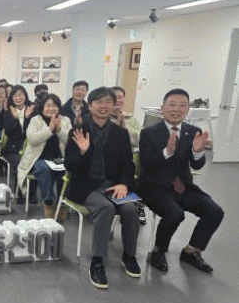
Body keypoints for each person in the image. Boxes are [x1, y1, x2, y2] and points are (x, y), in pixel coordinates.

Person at [138, 88, 224, 273]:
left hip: (182, 186)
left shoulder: (193, 132)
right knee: (175, 214)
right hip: (154, 187)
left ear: (188, 110)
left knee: (214, 211)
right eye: (172, 105)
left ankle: (191, 251)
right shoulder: (149, 132)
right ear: (162, 108)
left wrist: (198, 152)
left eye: (182, 105)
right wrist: (166, 152)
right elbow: (146, 164)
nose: (177, 109)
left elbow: (197, 165)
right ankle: (159, 251)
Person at [64, 86, 141, 289]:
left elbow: (128, 164)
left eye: (108, 102)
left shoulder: (120, 133)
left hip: (112, 186)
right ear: (90, 106)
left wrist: (124, 183)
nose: (104, 106)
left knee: (131, 210)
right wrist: (83, 152)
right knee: (105, 208)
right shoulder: (78, 131)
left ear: (114, 105)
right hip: (86, 186)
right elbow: (69, 166)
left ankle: (129, 255)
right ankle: (97, 261)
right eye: (99, 102)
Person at [17, 93, 71, 219]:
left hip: (60, 159)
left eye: (54, 105)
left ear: (59, 107)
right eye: (48, 105)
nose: (51, 108)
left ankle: (62, 204)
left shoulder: (65, 120)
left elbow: (70, 141)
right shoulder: (36, 120)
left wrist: (58, 129)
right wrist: (50, 129)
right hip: (38, 159)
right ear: (42, 108)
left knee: (68, 171)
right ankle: (49, 202)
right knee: (44, 169)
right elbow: (32, 139)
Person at [110, 86, 146, 225]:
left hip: (130, 158)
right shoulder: (103, 118)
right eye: (115, 97)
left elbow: (140, 140)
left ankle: (139, 204)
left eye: (121, 97)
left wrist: (125, 128)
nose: (118, 100)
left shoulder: (131, 119)